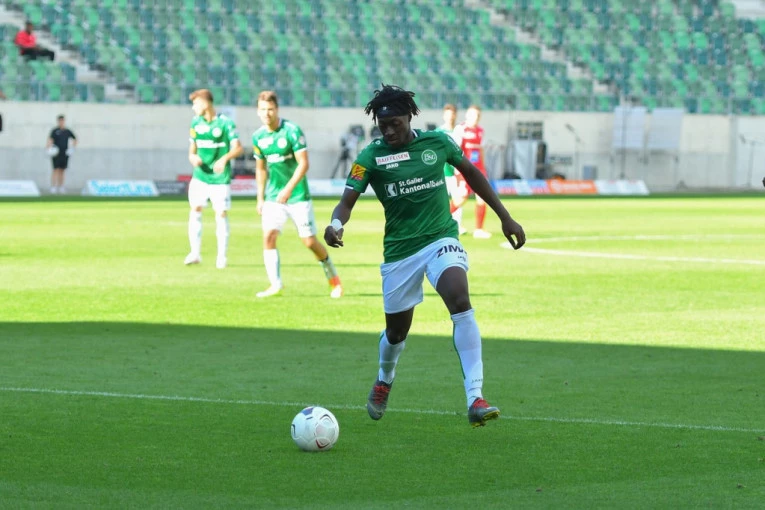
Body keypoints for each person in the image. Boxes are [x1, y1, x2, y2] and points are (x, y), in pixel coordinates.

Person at [323, 85, 526, 427]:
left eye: (395, 124)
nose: (389, 131)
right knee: (396, 333)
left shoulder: (438, 142)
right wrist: (335, 224)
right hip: (400, 251)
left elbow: (472, 174)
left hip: (440, 238)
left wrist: (505, 217)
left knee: (460, 300)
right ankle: (385, 379)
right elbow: (346, 201)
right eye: (383, 126)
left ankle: (475, 397)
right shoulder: (369, 157)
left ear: (409, 117)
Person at [252, 90, 343, 299]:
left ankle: (334, 280)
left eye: (270, 109)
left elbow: (304, 163)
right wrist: (260, 198)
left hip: (297, 196)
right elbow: (261, 169)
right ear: (258, 111)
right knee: (269, 236)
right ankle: (275, 285)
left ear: (277, 109)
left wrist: (288, 189)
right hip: (273, 197)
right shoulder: (258, 136)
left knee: (309, 242)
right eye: (263, 109)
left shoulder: (292, 131)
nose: (266, 113)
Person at [185, 88, 243, 269]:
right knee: (195, 210)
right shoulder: (195, 123)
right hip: (200, 176)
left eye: (195, 104)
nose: (193, 108)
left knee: (221, 213)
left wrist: (224, 159)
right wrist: (193, 158)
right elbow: (192, 151)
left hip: (219, 178)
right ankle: (195, 253)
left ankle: (221, 257)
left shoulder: (225, 123)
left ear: (205, 103)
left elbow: (238, 147)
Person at [454, 105, 492, 238]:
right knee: (461, 198)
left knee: (482, 197)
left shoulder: (480, 131)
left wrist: (483, 168)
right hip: (465, 169)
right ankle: (438, 222)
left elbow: (480, 150)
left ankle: (479, 229)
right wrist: (457, 169)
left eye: (478, 115)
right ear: (467, 115)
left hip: (478, 170)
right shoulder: (461, 129)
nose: (475, 118)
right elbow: (456, 150)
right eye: (473, 115)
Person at [436, 104, 468, 234]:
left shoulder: (459, 131)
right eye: (448, 114)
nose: (450, 117)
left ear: (455, 115)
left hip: (456, 172)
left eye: (452, 114)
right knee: (441, 200)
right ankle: (438, 223)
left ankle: (457, 226)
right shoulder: (438, 132)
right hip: (442, 172)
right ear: (444, 116)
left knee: (458, 198)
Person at [46, 115, 77, 194]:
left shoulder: (67, 131)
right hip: (56, 153)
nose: (61, 122)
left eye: (62, 121)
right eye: (60, 121)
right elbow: (50, 140)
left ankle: (61, 186)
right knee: (55, 169)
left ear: (64, 121)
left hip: (64, 153)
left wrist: (72, 148)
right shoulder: (55, 131)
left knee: (62, 170)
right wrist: (48, 148)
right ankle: (53, 187)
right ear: (58, 121)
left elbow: (75, 139)